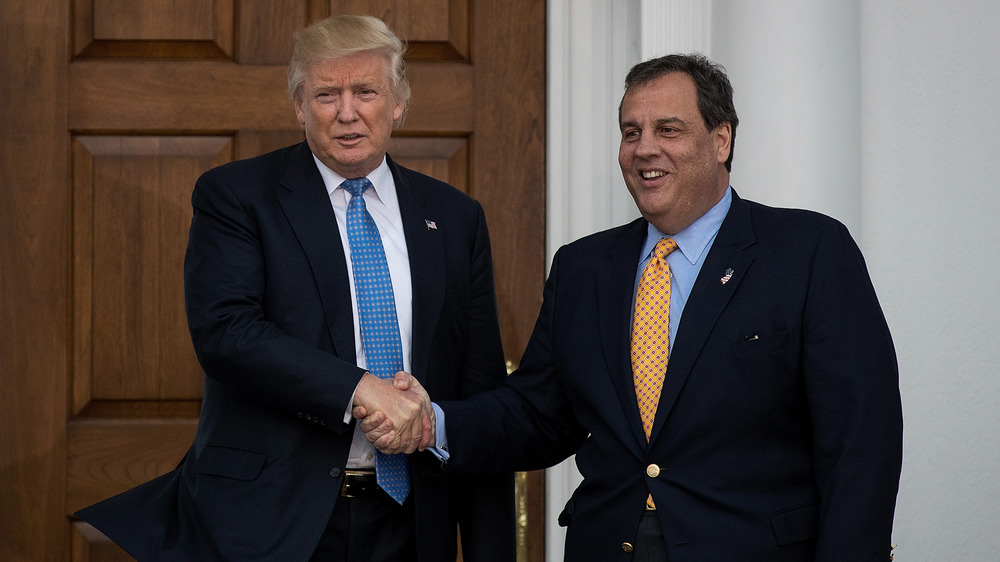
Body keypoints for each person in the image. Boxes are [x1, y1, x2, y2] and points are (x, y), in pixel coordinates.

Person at [360, 53, 903, 561]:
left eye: (668, 130)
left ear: (721, 140)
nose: (645, 148)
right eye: (630, 133)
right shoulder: (584, 268)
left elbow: (861, 440)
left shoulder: (808, 251)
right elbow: (538, 414)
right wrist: (433, 422)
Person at [75, 15, 514, 562]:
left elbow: (480, 389)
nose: (347, 112)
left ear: (399, 102)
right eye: (327, 94)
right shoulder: (237, 197)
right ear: (300, 107)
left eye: (366, 91)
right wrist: (361, 389)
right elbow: (227, 333)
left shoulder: (454, 217)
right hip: (271, 521)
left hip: (410, 523)